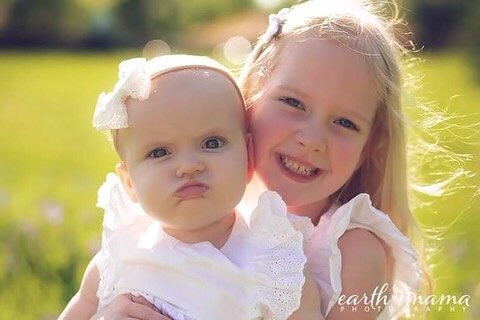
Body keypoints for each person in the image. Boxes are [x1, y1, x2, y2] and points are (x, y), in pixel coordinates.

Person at [58, 55, 321, 320]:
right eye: (159, 152)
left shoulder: (275, 264)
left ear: (249, 157)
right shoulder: (122, 255)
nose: (188, 166)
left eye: (212, 143)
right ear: (130, 183)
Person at [238, 0, 424, 318]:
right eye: (292, 102)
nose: (311, 141)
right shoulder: (212, 210)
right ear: (252, 91)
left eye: (344, 123)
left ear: (369, 147)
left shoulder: (352, 253)